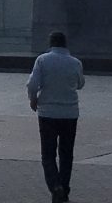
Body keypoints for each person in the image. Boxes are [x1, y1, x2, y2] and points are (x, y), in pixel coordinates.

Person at [26, 31, 85, 203]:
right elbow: (80, 84)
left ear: (51, 44)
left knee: (48, 155)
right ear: (65, 44)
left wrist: (33, 99)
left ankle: (55, 187)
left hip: (48, 114)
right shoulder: (75, 62)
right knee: (66, 155)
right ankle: (64, 190)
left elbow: (32, 84)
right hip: (70, 114)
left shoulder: (42, 60)